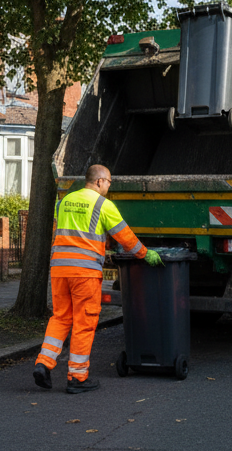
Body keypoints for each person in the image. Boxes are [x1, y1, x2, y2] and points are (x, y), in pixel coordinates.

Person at [35, 164, 162, 394]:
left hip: (59, 269)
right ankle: (77, 377)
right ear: (99, 181)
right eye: (109, 182)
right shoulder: (103, 205)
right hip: (84, 272)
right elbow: (126, 238)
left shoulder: (63, 202)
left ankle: (43, 364)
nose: (110, 186)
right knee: (85, 321)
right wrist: (145, 254)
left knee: (61, 317)